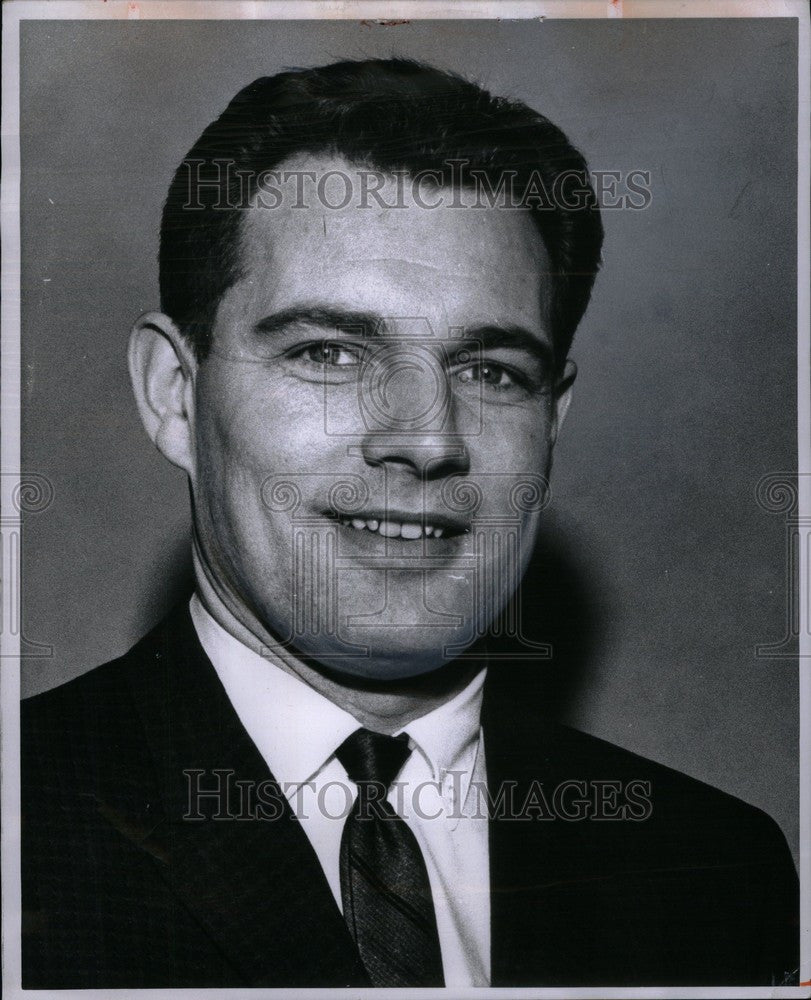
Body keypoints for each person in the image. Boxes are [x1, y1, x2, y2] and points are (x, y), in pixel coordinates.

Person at [21, 58, 798, 989]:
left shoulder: (710, 872)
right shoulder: (22, 824)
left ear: (551, 421)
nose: (426, 440)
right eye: (330, 353)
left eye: (490, 371)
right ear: (174, 395)